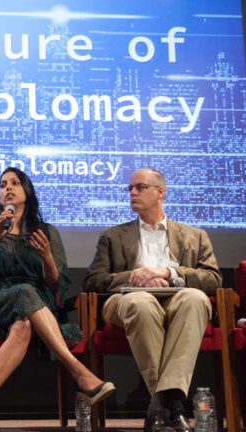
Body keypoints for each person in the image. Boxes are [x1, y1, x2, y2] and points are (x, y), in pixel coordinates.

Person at [0, 167, 114, 432]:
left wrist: (47, 259)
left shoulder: (46, 232)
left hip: (36, 304)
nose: (7, 188)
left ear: (27, 192)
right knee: (23, 291)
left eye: (15, 183)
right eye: (2, 185)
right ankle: (78, 371)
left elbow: (56, 283)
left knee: (25, 326)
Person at [84, 168, 221, 432]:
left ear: (161, 192)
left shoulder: (195, 235)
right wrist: (135, 278)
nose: (132, 193)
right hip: (127, 300)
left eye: (140, 187)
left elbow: (213, 278)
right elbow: (93, 280)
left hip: (176, 297)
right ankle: (175, 405)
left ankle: (160, 407)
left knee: (195, 298)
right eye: (130, 189)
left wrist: (169, 273)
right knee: (142, 303)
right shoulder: (112, 236)